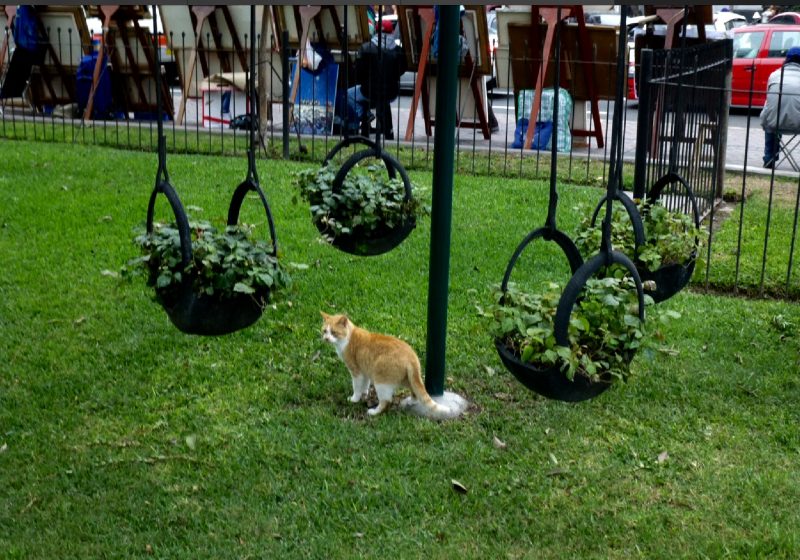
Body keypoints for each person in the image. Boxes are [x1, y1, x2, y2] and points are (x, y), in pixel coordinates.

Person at [341, 19, 405, 140]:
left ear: (375, 31)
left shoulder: (366, 48)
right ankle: (387, 130)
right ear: (391, 32)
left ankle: (365, 115)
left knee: (348, 95)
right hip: (391, 92)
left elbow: (358, 72)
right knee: (383, 102)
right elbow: (401, 70)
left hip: (369, 91)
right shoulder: (398, 51)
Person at [761, 47, 800, 168]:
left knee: (771, 113)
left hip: (774, 124)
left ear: (787, 59)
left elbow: (769, 99)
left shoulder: (775, 75)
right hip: (798, 124)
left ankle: (769, 158)